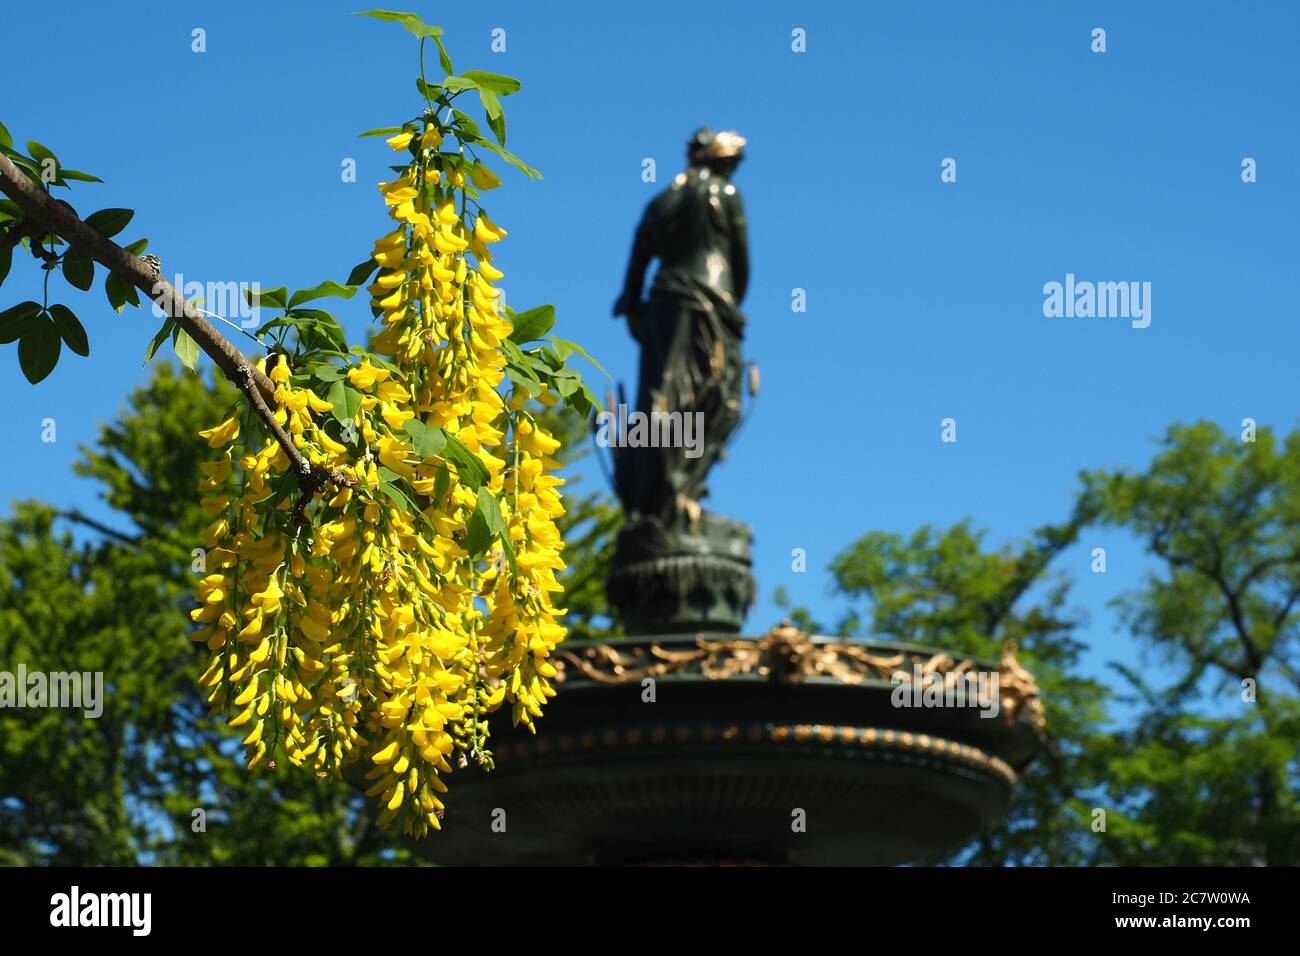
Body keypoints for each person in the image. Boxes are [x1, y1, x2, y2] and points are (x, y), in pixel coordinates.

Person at [612, 128, 750, 520]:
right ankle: (677, 485)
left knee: (665, 390)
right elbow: (741, 260)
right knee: (718, 392)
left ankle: (660, 485)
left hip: (667, 299)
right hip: (713, 301)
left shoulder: (665, 199)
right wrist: (733, 305)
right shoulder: (726, 194)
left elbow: (640, 250)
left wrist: (632, 299)